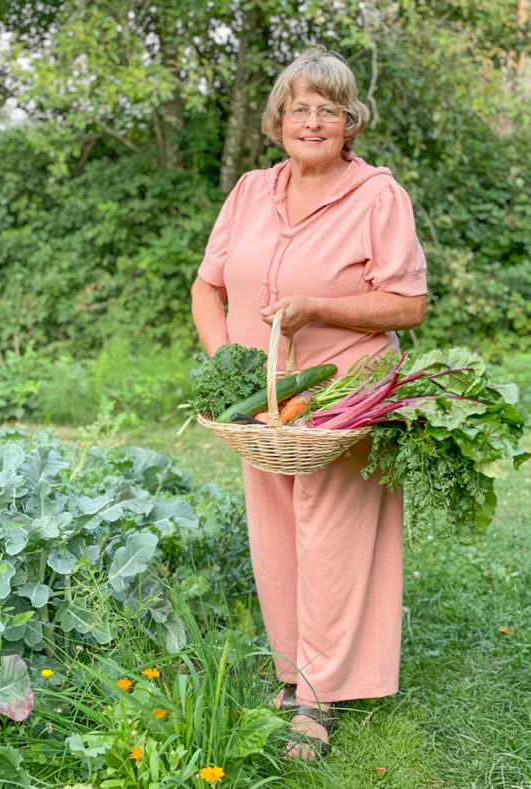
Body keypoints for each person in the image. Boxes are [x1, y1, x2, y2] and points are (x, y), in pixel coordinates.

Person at [190, 46, 427, 759]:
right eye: (301, 107)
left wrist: (316, 306)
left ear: (351, 123)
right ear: (280, 119)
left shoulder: (377, 196)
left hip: (341, 396)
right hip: (266, 405)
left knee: (330, 538)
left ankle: (322, 697)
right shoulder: (249, 192)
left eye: (330, 109)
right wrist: (230, 373)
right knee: (275, 536)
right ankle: (294, 672)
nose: (314, 120)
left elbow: (408, 305)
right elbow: (208, 287)